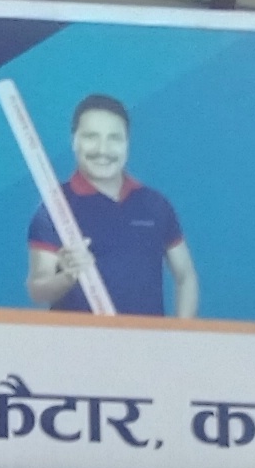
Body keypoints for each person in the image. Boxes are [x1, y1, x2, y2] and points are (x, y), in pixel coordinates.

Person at [21, 96, 198, 321]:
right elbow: (37, 289)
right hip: (77, 341)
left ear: (127, 143)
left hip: (144, 341)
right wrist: (68, 276)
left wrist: (181, 334)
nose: (103, 150)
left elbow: (185, 276)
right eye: (91, 137)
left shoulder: (155, 205)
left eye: (114, 138)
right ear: (74, 141)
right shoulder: (54, 208)